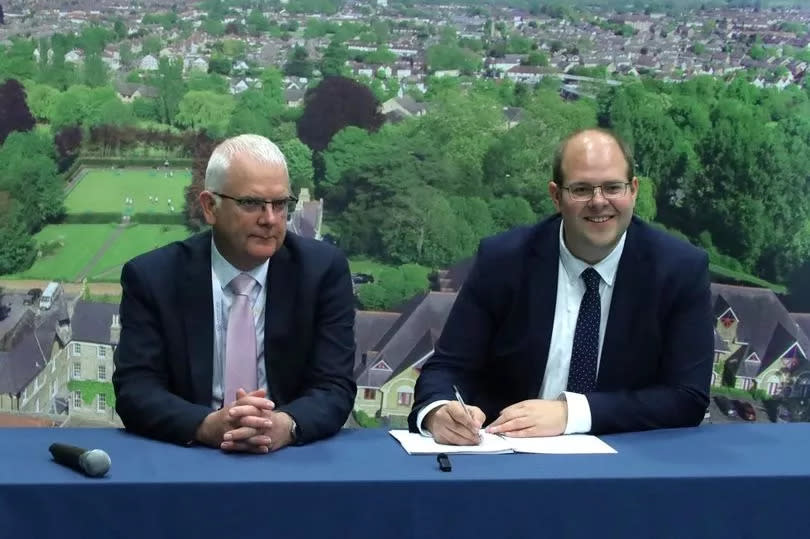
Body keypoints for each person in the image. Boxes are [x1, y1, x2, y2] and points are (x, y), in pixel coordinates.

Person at [408, 128, 713, 445]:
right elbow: (448, 368)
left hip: (625, 464)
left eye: (612, 187)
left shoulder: (679, 269)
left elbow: (686, 397)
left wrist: (572, 414)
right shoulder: (503, 260)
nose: (598, 202)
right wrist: (439, 410)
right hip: (508, 458)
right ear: (556, 196)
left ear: (633, 190)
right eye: (581, 189)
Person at [114, 134, 357, 453]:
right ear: (209, 207)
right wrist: (205, 425)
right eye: (251, 203)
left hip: (288, 456)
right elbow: (136, 389)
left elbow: (334, 385)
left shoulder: (323, 271)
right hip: (189, 455)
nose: (269, 219)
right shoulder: (152, 278)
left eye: (280, 204)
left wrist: (285, 425)